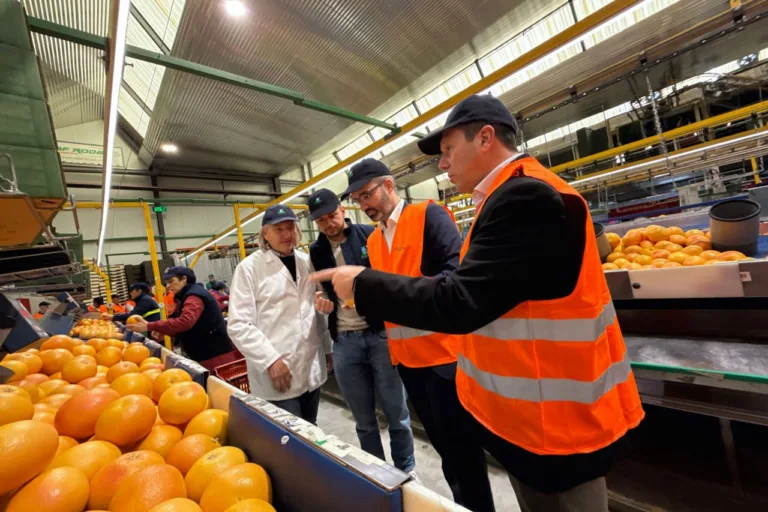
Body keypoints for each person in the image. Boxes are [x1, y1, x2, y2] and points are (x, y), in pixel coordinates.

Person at [313, 94, 645, 512]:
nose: (443, 164)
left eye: (449, 149)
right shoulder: (503, 198)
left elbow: (461, 298)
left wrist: (363, 285)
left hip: (558, 423)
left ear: (486, 137)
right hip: (531, 415)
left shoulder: (525, 198)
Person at [341, 159, 494, 511]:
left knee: (464, 456)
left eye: (368, 194)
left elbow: (455, 279)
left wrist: (384, 292)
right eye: (358, 200)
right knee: (447, 453)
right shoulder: (376, 241)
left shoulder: (429, 216)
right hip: (409, 363)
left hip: (445, 359)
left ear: (389, 186)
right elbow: (390, 299)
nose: (364, 205)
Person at [308, 188, 416, 474]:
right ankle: (379, 471)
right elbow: (322, 291)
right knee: (364, 420)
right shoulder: (316, 251)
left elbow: (389, 279)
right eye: (321, 221)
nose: (329, 223)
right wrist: (322, 301)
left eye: (332, 215)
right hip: (345, 341)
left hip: (379, 335)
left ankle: (406, 469)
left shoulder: (370, 235)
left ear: (343, 211)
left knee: (397, 412)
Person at [227, 204, 333, 425]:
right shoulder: (249, 269)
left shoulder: (307, 261)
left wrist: (327, 349)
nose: (287, 234)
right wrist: (271, 360)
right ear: (265, 233)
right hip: (276, 371)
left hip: (310, 365)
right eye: (279, 229)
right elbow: (239, 324)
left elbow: (314, 312)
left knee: (311, 427)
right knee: (289, 438)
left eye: (291, 228)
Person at [127, 267, 233, 366]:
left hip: (215, 355)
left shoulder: (194, 296)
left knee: (218, 384)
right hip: (205, 352)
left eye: (171, 281)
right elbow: (180, 321)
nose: (167, 286)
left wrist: (150, 326)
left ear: (184, 279)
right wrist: (162, 330)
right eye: (166, 283)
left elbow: (185, 322)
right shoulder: (183, 296)